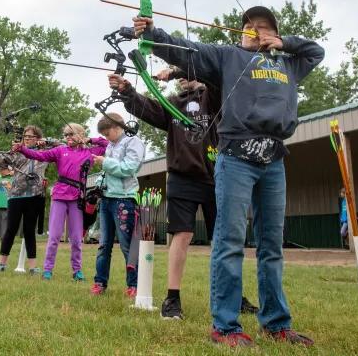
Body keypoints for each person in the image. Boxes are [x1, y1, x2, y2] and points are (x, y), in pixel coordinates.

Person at [134, 5, 323, 347]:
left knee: (271, 244)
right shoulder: (227, 57)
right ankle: (225, 326)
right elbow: (186, 49)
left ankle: (276, 324)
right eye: (249, 26)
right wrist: (152, 34)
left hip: (274, 157)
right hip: (236, 155)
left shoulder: (289, 63)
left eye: (263, 26)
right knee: (230, 240)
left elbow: (316, 50)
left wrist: (284, 42)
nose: (254, 30)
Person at [107, 71, 257, 317]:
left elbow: (219, 78)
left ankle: (234, 296)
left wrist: (185, 68)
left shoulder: (213, 96)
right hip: (181, 178)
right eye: (177, 70)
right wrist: (127, 91)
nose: (181, 76)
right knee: (182, 235)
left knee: (224, 239)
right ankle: (172, 299)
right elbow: (148, 107)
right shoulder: (173, 104)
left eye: (185, 66)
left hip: (218, 175)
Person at [13, 123, 108, 281]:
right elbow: (39, 156)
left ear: (80, 135)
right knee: (55, 236)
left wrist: (89, 139)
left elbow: (106, 144)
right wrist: (22, 149)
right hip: (59, 196)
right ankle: (48, 269)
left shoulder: (90, 152)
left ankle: (77, 271)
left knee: (77, 238)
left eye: (71, 134)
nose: (68, 137)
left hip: (77, 197)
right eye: (66, 135)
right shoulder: (60, 150)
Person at [0, 125, 50, 272]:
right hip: (16, 195)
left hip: (35, 196)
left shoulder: (45, 153)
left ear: (38, 138)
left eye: (31, 136)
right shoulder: (17, 152)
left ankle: (32, 267)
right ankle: (2, 263)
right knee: (10, 229)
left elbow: (62, 145)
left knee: (29, 231)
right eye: (25, 136)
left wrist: (46, 141)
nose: (27, 139)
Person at [89, 113, 145, 297]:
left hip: (124, 199)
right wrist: (99, 184)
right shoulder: (111, 145)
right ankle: (100, 282)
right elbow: (109, 171)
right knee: (103, 245)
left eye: (107, 133)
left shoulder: (133, 142)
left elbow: (129, 168)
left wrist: (105, 162)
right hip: (106, 199)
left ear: (117, 127)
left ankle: (134, 284)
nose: (106, 138)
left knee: (127, 245)